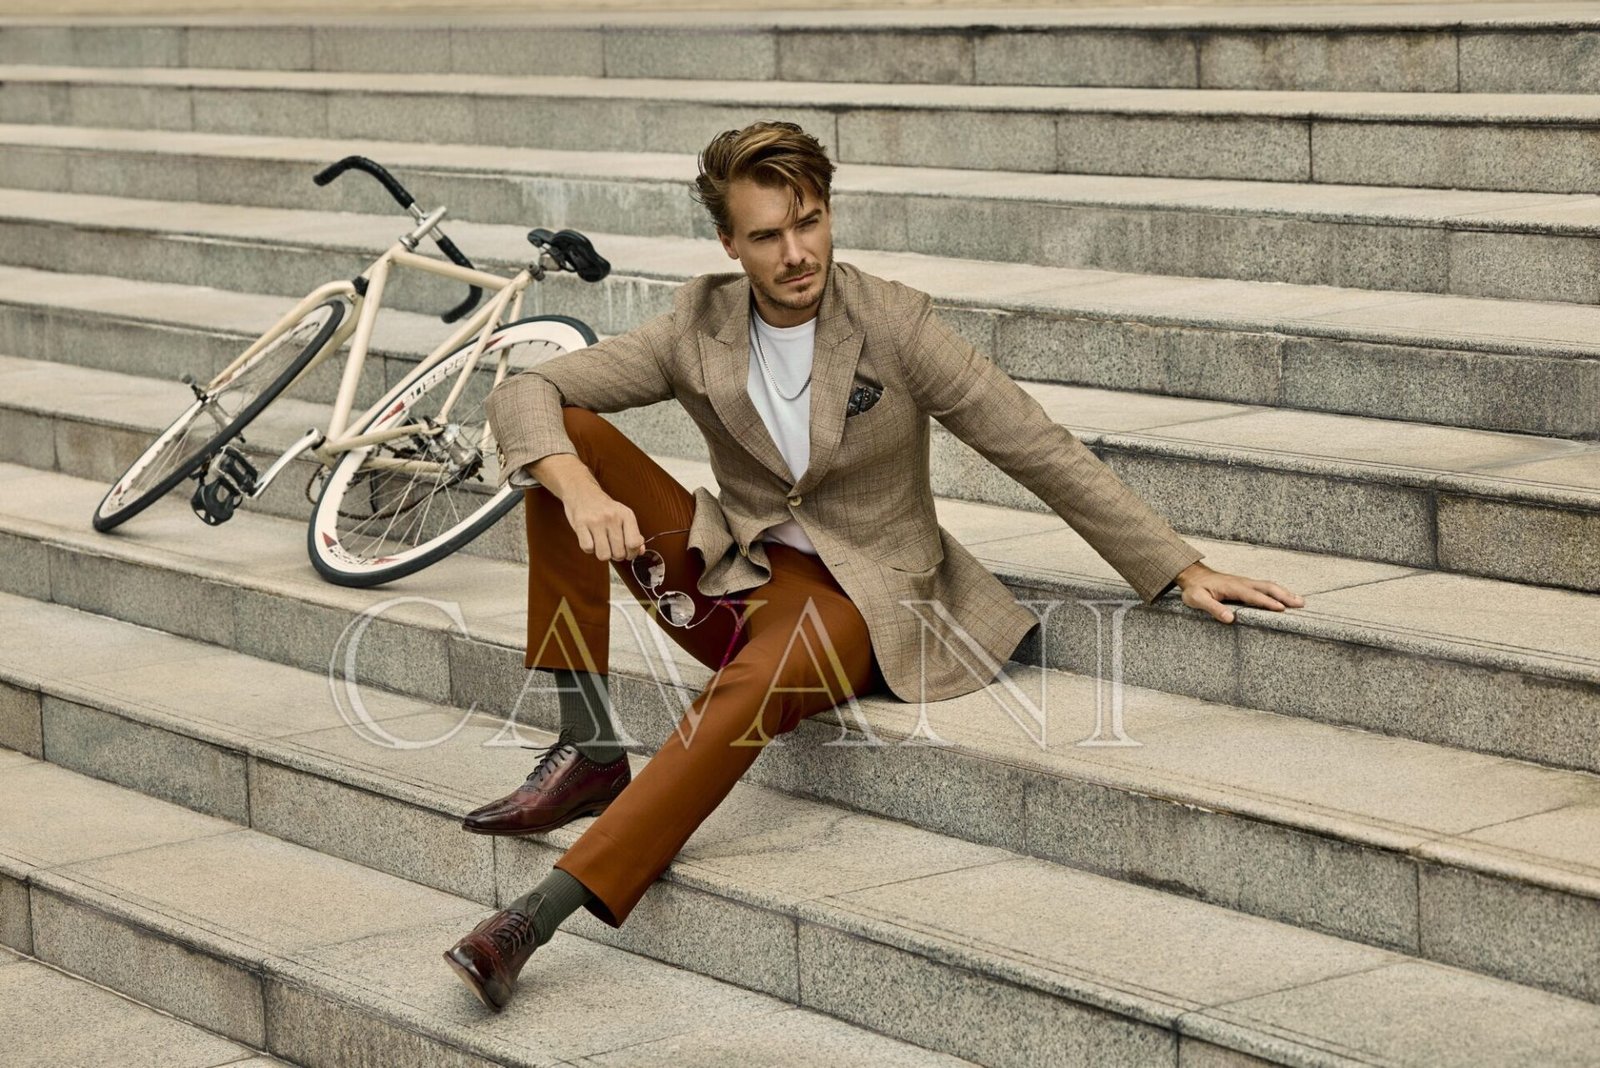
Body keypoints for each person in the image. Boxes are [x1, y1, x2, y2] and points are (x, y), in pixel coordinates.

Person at [443, 120, 1304, 1011]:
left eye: (809, 222)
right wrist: (581, 489)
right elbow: (524, 390)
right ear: (729, 244)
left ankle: (532, 920)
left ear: (827, 214)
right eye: (767, 236)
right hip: (734, 576)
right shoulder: (697, 326)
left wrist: (1177, 565)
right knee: (560, 443)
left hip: (865, 602)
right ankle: (589, 744)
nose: (796, 254)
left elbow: (1033, 443)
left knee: (749, 690)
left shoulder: (893, 323)